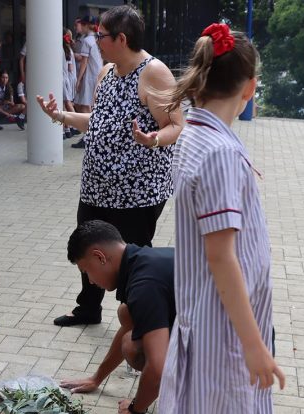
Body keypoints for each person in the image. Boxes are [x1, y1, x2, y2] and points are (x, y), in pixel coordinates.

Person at [72, 23, 285, 414]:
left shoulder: (197, 136)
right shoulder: (218, 150)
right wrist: (254, 345)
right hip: (223, 326)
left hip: (210, 317)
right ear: (250, 88)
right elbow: (221, 255)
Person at [36, 6, 182, 328]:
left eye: (100, 35)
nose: (94, 40)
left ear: (121, 38)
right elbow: (98, 119)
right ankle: (88, 309)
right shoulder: (106, 72)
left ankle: (142, 321)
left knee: (133, 258)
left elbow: (176, 124)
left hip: (136, 191)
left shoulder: (154, 73)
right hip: (96, 187)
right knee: (86, 247)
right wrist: (60, 116)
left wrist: (153, 139)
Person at [59, 220, 174, 414]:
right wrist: (97, 378)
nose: (91, 281)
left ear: (99, 256)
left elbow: (157, 366)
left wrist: (136, 408)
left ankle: (200, 390)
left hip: (230, 347)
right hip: (220, 324)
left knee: (133, 348)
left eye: (87, 271)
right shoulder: (142, 259)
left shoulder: (143, 286)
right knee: (126, 313)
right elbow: (128, 323)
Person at [71, 15, 102, 149]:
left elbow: (84, 62)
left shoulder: (87, 41)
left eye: (81, 25)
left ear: (85, 25)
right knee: (90, 106)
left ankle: (88, 136)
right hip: (97, 75)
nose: (79, 27)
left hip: (89, 77)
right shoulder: (97, 38)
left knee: (85, 106)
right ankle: (91, 135)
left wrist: (78, 80)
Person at [62, 29, 79, 139]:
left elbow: (70, 68)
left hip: (64, 79)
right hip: (67, 79)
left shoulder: (65, 49)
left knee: (67, 103)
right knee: (66, 103)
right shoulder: (67, 49)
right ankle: (67, 129)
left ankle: (74, 126)